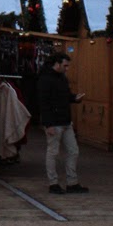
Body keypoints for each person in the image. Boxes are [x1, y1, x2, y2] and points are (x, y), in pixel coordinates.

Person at [37, 50, 86, 195]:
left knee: (73, 151)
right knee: (53, 152)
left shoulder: (62, 78)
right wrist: (48, 124)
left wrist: (74, 98)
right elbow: (43, 103)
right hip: (54, 122)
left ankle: (72, 182)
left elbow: (65, 96)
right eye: (65, 65)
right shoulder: (45, 80)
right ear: (56, 64)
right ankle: (53, 183)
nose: (67, 68)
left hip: (65, 121)